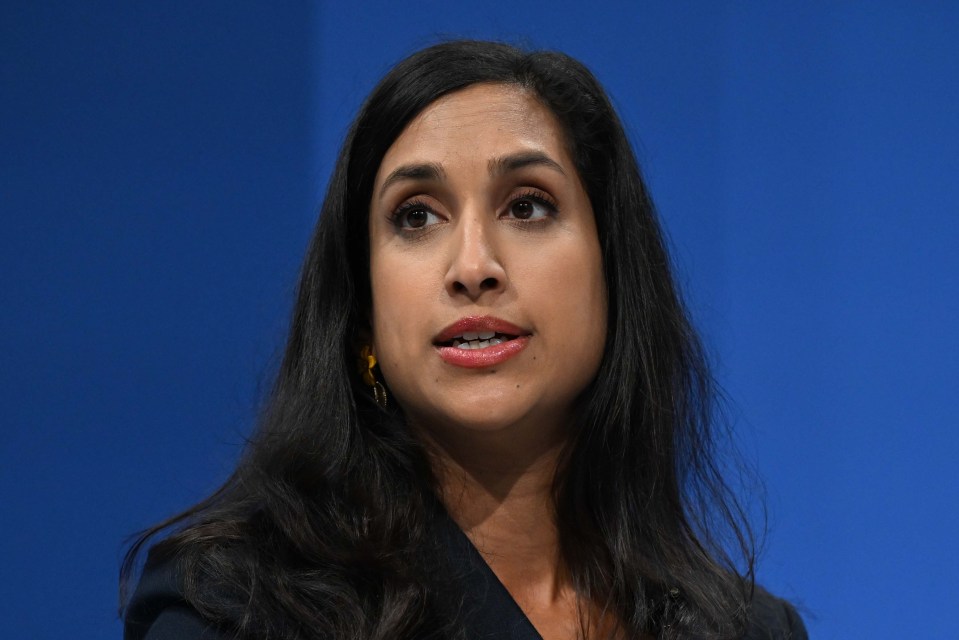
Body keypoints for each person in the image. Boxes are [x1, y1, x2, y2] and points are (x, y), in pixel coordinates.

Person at [121, 40, 807, 639]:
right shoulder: (232, 606)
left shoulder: (743, 629)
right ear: (361, 309)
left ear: (614, 274)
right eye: (416, 217)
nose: (473, 266)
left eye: (527, 206)